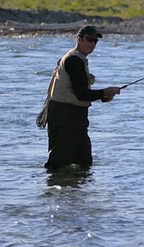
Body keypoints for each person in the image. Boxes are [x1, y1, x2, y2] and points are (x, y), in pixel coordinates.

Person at [39, 25, 121, 170]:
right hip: (65, 116)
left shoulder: (78, 59)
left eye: (95, 41)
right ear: (79, 39)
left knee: (84, 162)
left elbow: (80, 93)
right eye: (89, 40)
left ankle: (80, 191)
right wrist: (105, 92)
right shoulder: (74, 60)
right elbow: (81, 94)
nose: (92, 44)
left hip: (74, 116)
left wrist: (104, 96)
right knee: (59, 162)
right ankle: (56, 189)